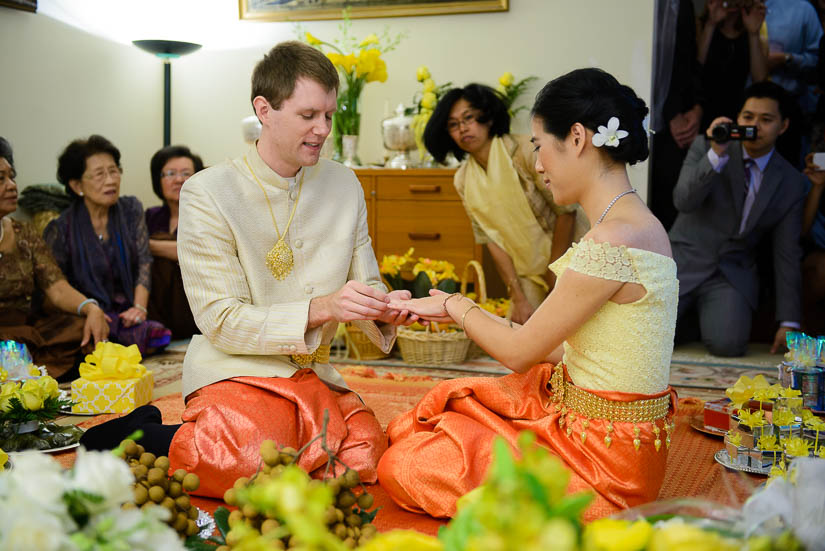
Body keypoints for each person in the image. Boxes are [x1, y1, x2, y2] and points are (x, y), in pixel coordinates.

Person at [81, 41, 415, 499]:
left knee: (361, 459)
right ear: (264, 109)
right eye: (308, 115)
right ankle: (144, 434)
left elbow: (366, 278)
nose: (323, 130)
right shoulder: (208, 192)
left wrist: (383, 304)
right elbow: (220, 319)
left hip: (312, 373)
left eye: (329, 116)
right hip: (235, 366)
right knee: (255, 460)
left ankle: (200, 430)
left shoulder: (344, 183)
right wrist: (321, 308)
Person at [378, 68, 678, 521]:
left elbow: (520, 354)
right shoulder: (640, 226)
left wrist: (454, 304)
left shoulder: (610, 243)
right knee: (449, 410)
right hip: (621, 446)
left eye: (540, 146)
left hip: (601, 463)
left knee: (404, 462)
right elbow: (581, 350)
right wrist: (488, 319)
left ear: (576, 138)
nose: (538, 164)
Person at [423, 84, 586, 324]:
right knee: (517, 333)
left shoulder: (524, 151)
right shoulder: (463, 179)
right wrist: (517, 295)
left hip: (573, 255)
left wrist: (556, 273)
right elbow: (490, 240)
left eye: (468, 118)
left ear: (487, 117)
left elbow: (566, 212)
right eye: (453, 124)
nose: (463, 129)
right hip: (527, 274)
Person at [670, 81, 807, 357]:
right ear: (737, 118)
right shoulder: (704, 147)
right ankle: (684, 323)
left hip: (730, 273)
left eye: (766, 119)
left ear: (783, 126)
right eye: (748, 117)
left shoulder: (791, 182)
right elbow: (683, 200)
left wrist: (789, 321)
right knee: (647, 338)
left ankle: (698, 321)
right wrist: (716, 154)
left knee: (728, 345)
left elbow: (787, 252)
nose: (754, 126)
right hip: (684, 261)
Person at [44, 135, 171, 355]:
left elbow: (143, 260)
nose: (111, 180)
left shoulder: (130, 209)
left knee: (157, 334)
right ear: (77, 185)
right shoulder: (60, 228)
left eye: (113, 171)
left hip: (125, 312)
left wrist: (139, 308)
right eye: (99, 175)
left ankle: (115, 341)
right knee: (76, 337)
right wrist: (88, 309)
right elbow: (57, 285)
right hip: (84, 313)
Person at [0, 137, 109, 380]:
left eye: (12, 176)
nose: (11, 185)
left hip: (23, 331)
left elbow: (57, 288)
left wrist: (91, 307)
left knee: (80, 327)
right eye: (1, 179)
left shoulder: (23, 232)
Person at [145, 145, 204, 339]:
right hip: (155, 303)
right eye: (170, 174)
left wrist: (150, 246)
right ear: (158, 180)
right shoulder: (149, 217)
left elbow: (197, 253)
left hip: (194, 302)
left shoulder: (207, 216)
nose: (179, 180)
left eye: (186, 173)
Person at [696, 0, 768, 133]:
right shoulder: (701, 25)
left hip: (737, 113)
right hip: (701, 110)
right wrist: (711, 24)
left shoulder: (753, 29)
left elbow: (759, 80)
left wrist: (753, 34)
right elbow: (696, 67)